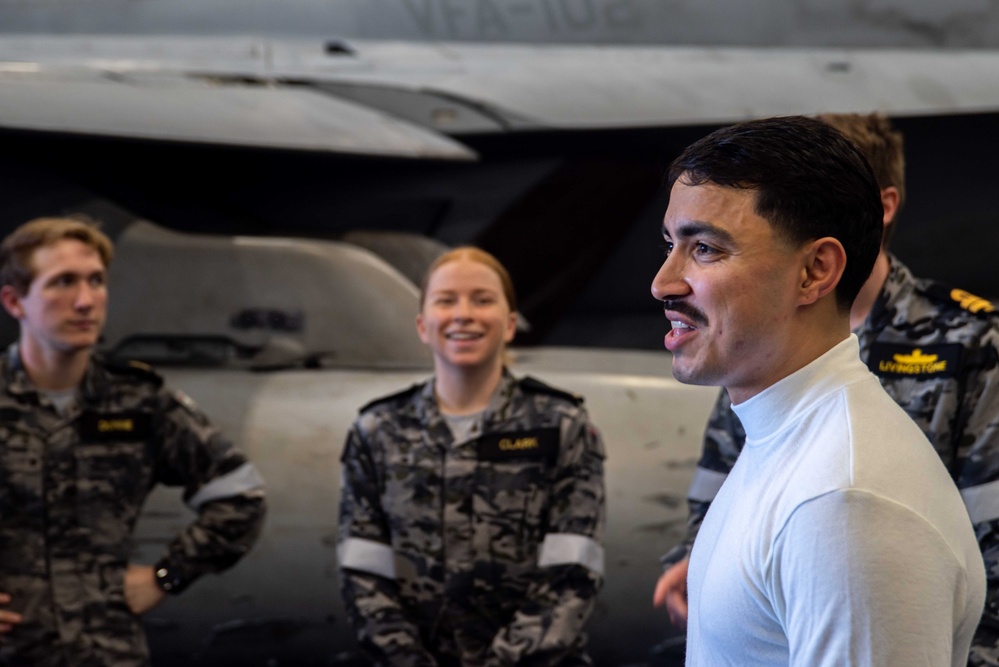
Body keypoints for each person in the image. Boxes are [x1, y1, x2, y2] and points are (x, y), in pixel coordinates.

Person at [652, 112, 999, 664]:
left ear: (816, 271)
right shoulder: (781, 433)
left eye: (705, 249)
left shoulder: (844, 504)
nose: (662, 283)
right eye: (670, 243)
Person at [0, 217, 267, 666]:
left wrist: (167, 575)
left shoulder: (138, 401)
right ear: (14, 301)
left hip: (106, 652)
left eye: (96, 282)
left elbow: (241, 494)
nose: (85, 301)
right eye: (62, 283)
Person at [337, 246, 606, 666]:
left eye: (482, 299)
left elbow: (571, 574)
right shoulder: (377, 431)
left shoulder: (561, 426)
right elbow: (363, 573)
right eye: (446, 300)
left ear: (510, 324)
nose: (464, 314)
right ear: (423, 326)